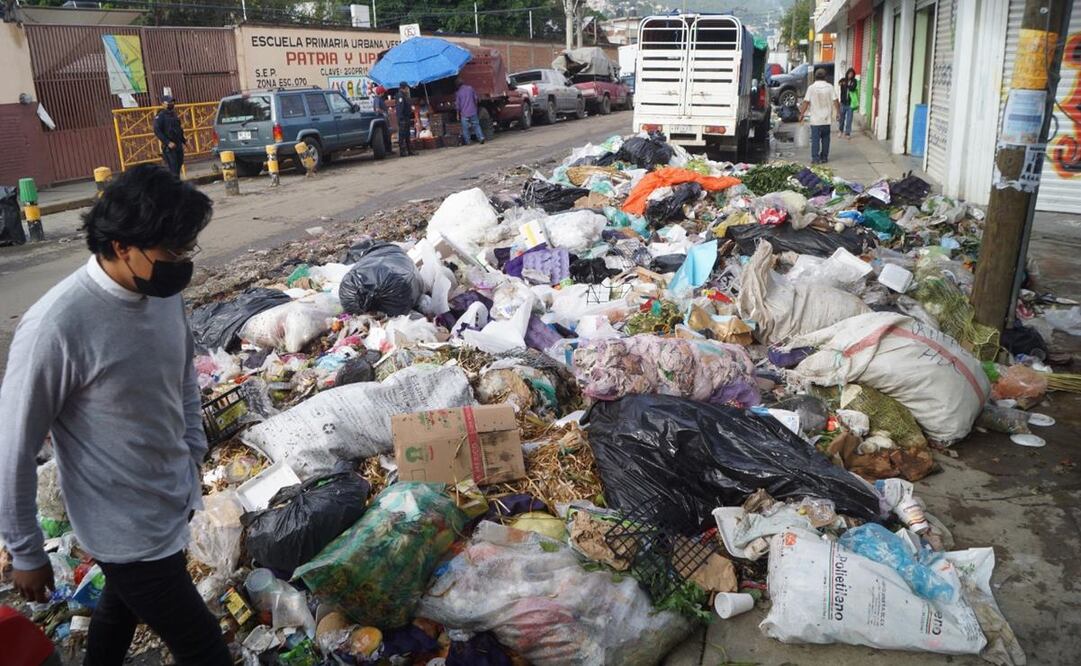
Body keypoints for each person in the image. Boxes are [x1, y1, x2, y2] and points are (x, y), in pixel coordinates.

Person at [0, 165, 232, 666]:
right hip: (123, 528)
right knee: (205, 649)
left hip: (170, 496)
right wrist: (26, 552)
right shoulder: (57, 326)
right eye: (171, 251)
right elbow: (14, 446)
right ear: (122, 245)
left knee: (120, 611)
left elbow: (183, 378)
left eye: (187, 248)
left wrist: (192, 452)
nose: (182, 262)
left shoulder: (159, 294)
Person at [798, 68, 841, 164]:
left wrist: (801, 114)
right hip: (826, 119)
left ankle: (815, 158)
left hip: (815, 120)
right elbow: (836, 101)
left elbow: (806, 102)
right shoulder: (830, 87)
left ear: (815, 77)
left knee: (815, 140)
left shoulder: (811, 88)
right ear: (825, 77)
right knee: (826, 139)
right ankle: (824, 157)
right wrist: (838, 112)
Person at [153, 95, 186, 176]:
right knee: (173, 168)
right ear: (163, 104)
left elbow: (179, 129)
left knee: (178, 165)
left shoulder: (174, 114)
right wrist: (167, 142)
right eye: (169, 102)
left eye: (172, 102)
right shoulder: (160, 116)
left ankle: (176, 186)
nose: (171, 103)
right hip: (169, 147)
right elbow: (157, 131)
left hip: (178, 144)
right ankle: (173, 187)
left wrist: (184, 141)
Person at [455, 78, 484, 146]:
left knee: (465, 128)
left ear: (457, 85)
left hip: (464, 113)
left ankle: (468, 141)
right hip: (473, 111)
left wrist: (457, 114)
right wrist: (475, 107)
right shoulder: (470, 88)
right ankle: (481, 137)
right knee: (476, 125)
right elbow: (476, 99)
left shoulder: (458, 93)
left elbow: (457, 105)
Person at [395, 82, 417, 157]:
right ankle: (402, 152)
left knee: (407, 135)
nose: (408, 89)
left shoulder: (405, 95)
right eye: (407, 87)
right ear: (404, 88)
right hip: (403, 118)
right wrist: (401, 118)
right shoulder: (400, 96)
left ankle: (409, 150)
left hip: (406, 117)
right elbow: (400, 108)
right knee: (402, 135)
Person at [837, 68, 859, 139]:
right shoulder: (843, 80)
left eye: (852, 74)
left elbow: (853, 88)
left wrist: (846, 85)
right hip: (843, 103)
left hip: (850, 104)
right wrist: (843, 83)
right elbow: (839, 83)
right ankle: (840, 130)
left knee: (849, 119)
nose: (850, 75)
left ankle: (847, 133)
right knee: (841, 119)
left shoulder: (854, 81)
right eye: (849, 74)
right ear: (847, 74)